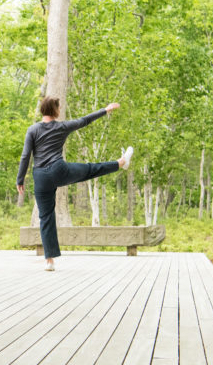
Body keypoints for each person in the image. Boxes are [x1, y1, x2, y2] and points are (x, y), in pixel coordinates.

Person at [16, 97, 133, 271]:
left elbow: (26, 156)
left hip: (40, 176)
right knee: (90, 169)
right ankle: (121, 163)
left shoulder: (32, 130)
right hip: (59, 170)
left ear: (42, 110)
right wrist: (105, 109)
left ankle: (49, 261)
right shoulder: (61, 127)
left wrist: (20, 179)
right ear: (55, 110)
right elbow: (84, 121)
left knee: (46, 217)